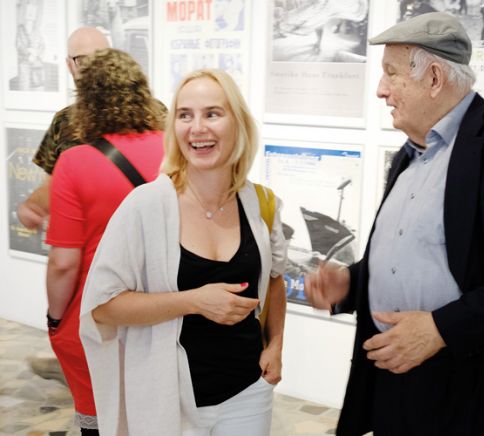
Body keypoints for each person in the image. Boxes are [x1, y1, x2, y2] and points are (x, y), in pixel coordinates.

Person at [305, 12, 484, 436]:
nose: (381, 90)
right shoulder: (409, 153)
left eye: (391, 74)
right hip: (394, 384)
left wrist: (440, 329)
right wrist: (350, 284)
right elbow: (418, 255)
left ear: (434, 78)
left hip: (475, 393)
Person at [79, 69, 287, 435]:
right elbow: (102, 306)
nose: (197, 128)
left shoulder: (261, 204)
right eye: (185, 115)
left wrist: (276, 345)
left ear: (237, 123)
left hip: (248, 393)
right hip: (167, 397)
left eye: (212, 113)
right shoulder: (144, 206)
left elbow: (273, 281)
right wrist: (194, 301)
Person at [45, 48, 165, 434]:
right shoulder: (173, 153)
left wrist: (54, 317)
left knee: (99, 420)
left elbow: (64, 263)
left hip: (95, 312)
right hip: (164, 306)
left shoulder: (75, 161)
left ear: (87, 101)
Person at [17, 26, 109, 230]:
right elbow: (51, 189)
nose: (93, 67)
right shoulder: (63, 121)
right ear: (70, 65)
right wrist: (34, 207)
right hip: (82, 248)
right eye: (82, 60)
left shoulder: (152, 114)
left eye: (100, 58)